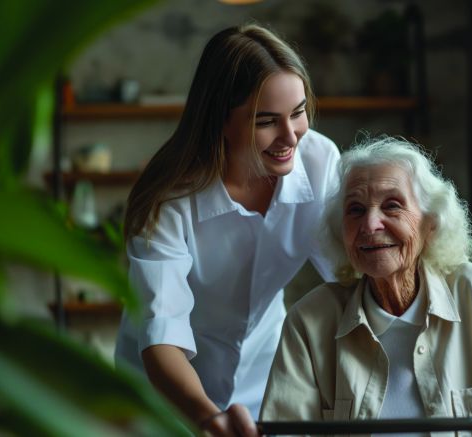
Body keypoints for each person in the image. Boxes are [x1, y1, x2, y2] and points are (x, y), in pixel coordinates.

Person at [260, 136, 472, 435]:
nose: (370, 224)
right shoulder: (310, 322)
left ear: (430, 223)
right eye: (355, 210)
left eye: (392, 205)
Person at [114, 23, 340, 436]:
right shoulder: (169, 199)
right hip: (165, 387)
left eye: (298, 112)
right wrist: (207, 417)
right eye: (266, 121)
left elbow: (348, 278)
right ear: (220, 120)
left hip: (263, 373)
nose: (291, 136)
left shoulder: (321, 161)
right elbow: (162, 334)